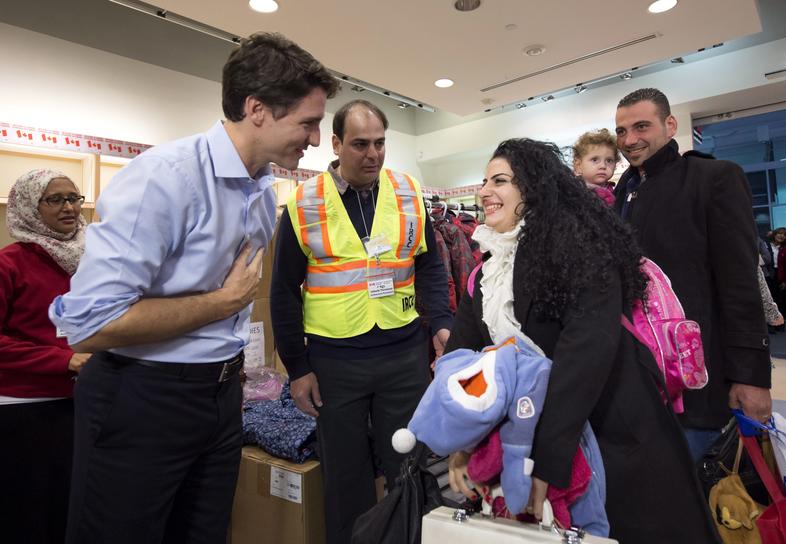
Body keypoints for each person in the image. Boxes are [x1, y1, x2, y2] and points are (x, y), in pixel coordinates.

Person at [48, 33, 338, 544]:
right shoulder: (164, 180)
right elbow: (89, 326)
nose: (316, 139)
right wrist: (220, 304)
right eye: (308, 122)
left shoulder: (259, 188)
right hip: (143, 397)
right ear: (257, 110)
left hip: (221, 396)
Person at [445, 138, 719, 543]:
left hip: (616, 437)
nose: (484, 191)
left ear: (534, 188)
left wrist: (547, 462)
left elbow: (583, 360)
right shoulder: (486, 273)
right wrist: (460, 441)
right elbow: (464, 361)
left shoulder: (580, 253)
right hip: (533, 437)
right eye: (484, 181)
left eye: (499, 180)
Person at [271, 99, 452, 544]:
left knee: (411, 465)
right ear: (335, 144)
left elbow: (429, 265)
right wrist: (297, 367)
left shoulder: (408, 191)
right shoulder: (305, 201)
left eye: (380, 143)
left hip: (404, 352)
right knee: (346, 477)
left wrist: (443, 322)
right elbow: (282, 289)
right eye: (360, 145)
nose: (373, 154)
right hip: (335, 362)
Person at [612, 88, 771, 460]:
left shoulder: (712, 177)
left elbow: (740, 284)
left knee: (704, 496)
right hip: (636, 381)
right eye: (621, 131)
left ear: (670, 126)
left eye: (641, 126)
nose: (629, 140)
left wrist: (750, 375)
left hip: (698, 379)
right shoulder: (622, 192)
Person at [0, 169, 91, 544]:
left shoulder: (94, 259)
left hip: (84, 402)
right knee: (27, 513)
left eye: (74, 198)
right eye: (55, 199)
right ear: (28, 206)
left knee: (69, 510)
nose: (68, 207)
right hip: (25, 408)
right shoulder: (9, 263)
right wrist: (63, 361)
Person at [571, 129, 619, 206]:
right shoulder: (576, 194)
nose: (603, 166)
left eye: (609, 161)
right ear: (578, 165)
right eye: (595, 160)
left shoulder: (616, 190)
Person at [768, 227, 786, 330]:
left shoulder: (785, 248)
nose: (782, 236)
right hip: (770, 274)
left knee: (781, 299)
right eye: (780, 233)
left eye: (784, 235)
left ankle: (780, 323)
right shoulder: (766, 245)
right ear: (775, 234)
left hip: (782, 274)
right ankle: (771, 323)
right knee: (771, 299)